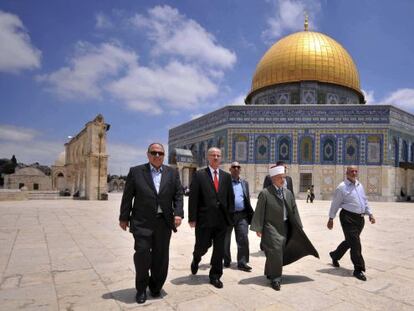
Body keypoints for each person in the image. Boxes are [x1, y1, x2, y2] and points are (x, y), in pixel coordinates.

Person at [119, 143, 183, 304]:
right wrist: (124, 217)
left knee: (161, 257)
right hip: (142, 222)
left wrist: (178, 214)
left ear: (164, 155)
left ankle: (155, 286)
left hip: (163, 222)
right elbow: (128, 196)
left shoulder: (172, 173)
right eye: (153, 152)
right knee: (142, 255)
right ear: (148, 155)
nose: (157, 155)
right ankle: (141, 288)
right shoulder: (136, 172)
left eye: (160, 153)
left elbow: (178, 195)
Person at [251, 165, 319, 291]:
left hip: (285, 225)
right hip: (270, 226)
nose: (283, 180)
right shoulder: (265, 193)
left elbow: (294, 210)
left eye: (284, 177)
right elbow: (259, 211)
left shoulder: (287, 193)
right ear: (273, 179)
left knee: (278, 250)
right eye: (280, 178)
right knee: (276, 249)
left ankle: (270, 272)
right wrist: (258, 228)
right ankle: (276, 278)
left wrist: (298, 226)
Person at [189, 147, 234, 289]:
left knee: (219, 249)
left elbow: (230, 198)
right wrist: (192, 218)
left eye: (218, 155)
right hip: (204, 219)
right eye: (213, 155)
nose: (215, 157)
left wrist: (230, 217)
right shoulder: (199, 175)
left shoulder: (226, 177)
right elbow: (193, 197)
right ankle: (196, 258)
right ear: (208, 157)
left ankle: (215, 276)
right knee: (202, 246)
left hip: (221, 220)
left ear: (221, 158)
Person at [327, 165, 376, 281]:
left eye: (355, 171)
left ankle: (335, 255)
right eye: (351, 171)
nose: (354, 173)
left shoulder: (359, 185)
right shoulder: (342, 187)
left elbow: (364, 200)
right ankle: (358, 269)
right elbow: (335, 204)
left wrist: (370, 214)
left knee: (350, 241)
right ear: (346, 173)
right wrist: (331, 219)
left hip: (360, 219)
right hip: (347, 218)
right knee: (355, 243)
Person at [223, 162, 254, 272]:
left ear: (240, 170)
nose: (236, 169)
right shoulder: (225, 182)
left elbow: (246, 198)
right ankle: (226, 260)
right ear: (230, 169)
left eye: (238, 167)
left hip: (242, 215)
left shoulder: (244, 183)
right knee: (225, 240)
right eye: (234, 167)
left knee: (243, 238)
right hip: (228, 216)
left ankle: (242, 262)